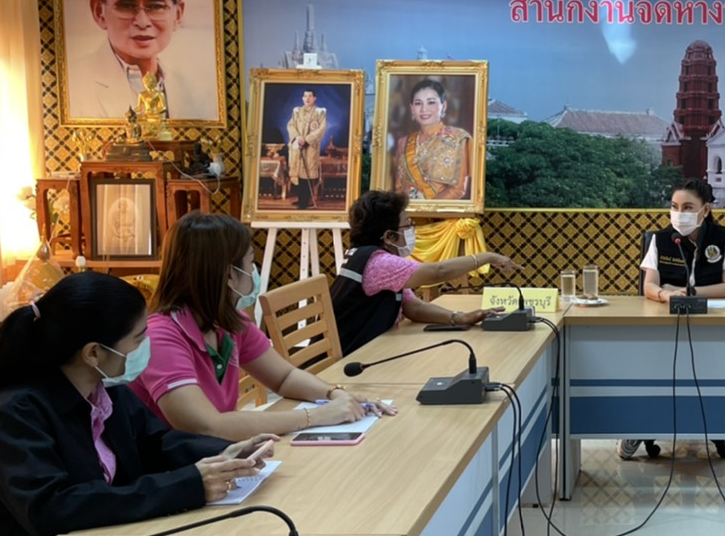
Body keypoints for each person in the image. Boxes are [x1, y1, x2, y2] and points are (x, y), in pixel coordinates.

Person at [0, 272, 276, 536]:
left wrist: (224, 452)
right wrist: (190, 485)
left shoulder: (105, 389)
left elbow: (156, 442)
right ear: (93, 353)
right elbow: (54, 508)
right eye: (138, 339)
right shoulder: (16, 413)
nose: (145, 347)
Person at [134, 212, 395, 440]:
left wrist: (335, 395)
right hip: (177, 467)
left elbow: (284, 377)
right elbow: (207, 426)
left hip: (215, 457)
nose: (254, 270)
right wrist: (315, 416)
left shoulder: (228, 322)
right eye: (250, 262)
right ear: (229, 275)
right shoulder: (160, 338)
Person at [627, 177, 725, 460]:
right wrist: (666, 295)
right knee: (652, 370)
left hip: (714, 326)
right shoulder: (661, 239)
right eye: (674, 206)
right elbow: (649, 285)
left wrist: (690, 292)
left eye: (687, 207)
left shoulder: (723, 237)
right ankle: (636, 426)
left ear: (705, 210)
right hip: (666, 323)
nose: (679, 213)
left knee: (723, 372)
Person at [330, 190, 523, 353]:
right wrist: (487, 257)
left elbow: (413, 308)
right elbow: (438, 272)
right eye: (408, 224)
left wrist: (460, 318)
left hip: (367, 348)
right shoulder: (380, 263)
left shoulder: (369, 257)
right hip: (351, 355)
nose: (412, 230)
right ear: (389, 236)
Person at [64, 0, 219, 122]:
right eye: (126, 5)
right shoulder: (70, 87)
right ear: (99, 12)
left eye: (156, 6)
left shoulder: (196, 94)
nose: (143, 22)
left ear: (178, 15)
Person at [394, 79, 472, 200]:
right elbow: (399, 187)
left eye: (431, 102)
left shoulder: (458, 139)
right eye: (418, 103)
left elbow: (457, 189)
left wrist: (427, 208)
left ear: (444, 106)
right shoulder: (403, 142)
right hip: (408, 210)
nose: (424, 109)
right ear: (412, 108)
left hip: (441, 211)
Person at [287, 88, 327, 208]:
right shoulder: (297, 112)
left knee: (307, 174)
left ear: (314, 98)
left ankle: (305, 201)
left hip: (310, 148)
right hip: (298, 145)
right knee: (299, 174)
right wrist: (297, 137)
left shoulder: (319, 113)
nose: (307, 98)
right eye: (305, 96)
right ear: (302, 98)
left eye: (310, 96)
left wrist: (307, 139)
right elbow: (290, 125)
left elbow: (321, 129)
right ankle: (301, 199)